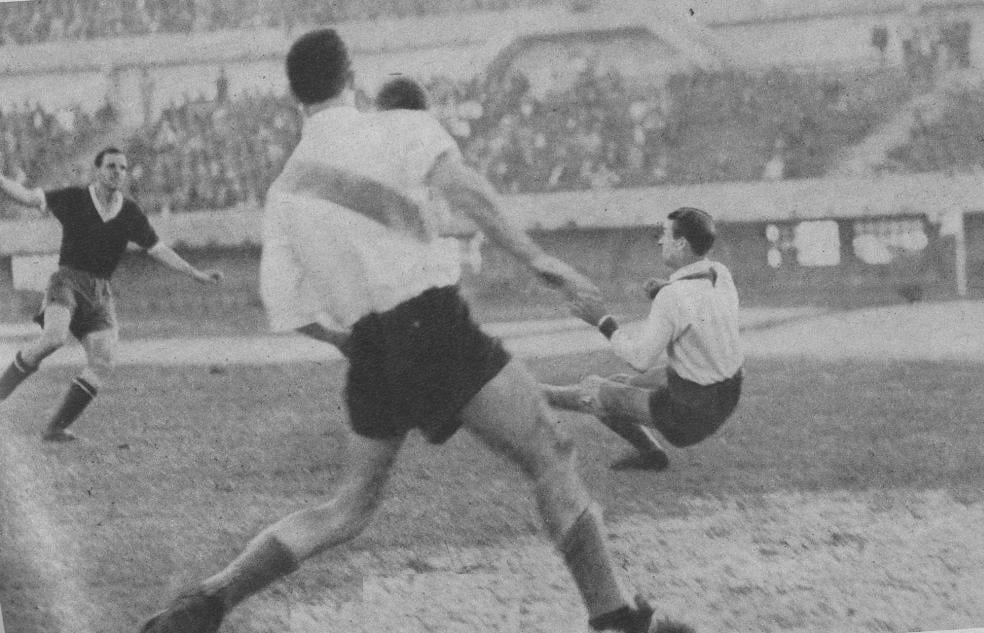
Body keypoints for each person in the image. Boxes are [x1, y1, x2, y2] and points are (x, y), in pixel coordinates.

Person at [138, 29, 692, 633]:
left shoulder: (283, 192)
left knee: (347, 508)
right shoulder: (395, 126)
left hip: (370, 349)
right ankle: (614, 615)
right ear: (353, 77)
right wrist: (536, 259)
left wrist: (357, 345)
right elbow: (465, 189)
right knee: (550, 452)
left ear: (296, 96)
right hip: (433, 323)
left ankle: (206, 603)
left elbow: (290, 311)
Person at [0, 147, 222, 441]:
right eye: (111, 166)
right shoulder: (75, 198)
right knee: (53, 339)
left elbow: (157, 248)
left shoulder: (129, 212)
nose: (117, 172)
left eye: (122, 168)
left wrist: (194, 272)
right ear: (97, 170)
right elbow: (29, 198)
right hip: (66, 282)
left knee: (103, 362)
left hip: (100, 293)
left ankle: (55, 428)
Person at [544, 207, 743, 471]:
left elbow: (640, 359)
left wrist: (602, 321)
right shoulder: (720, 273)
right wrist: (665, 287)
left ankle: (537, 393)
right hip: (727, 391)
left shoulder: (673, 297)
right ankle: (652, 455)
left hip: (691, 413)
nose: (661, 241)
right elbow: (699, 301)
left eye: (665, 235)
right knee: (617, 385)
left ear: (681, 243)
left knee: (595, 390)